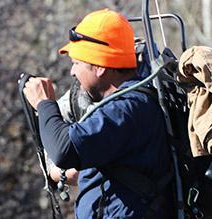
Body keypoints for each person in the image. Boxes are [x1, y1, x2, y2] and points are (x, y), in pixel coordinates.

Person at [23, 8, 173, 218]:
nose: (72, 72)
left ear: (100, 67)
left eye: (76, 63)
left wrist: (44, 103)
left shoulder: (126, 108)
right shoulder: (130, 102)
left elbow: (64, 150)